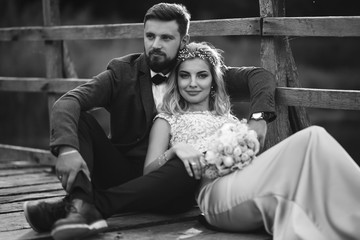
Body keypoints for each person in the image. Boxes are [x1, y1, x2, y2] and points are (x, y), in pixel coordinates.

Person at [23, 3, 276, 240]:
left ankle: (83, 206)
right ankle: (80, 204)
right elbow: (67, 102)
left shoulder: (194, 71)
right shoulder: (122, 72)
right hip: (121, 172)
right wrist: (67, 149)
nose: (156, 44)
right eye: (150, 36)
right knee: (80, 118)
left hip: (173, 184)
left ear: (183, 40)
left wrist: (258, 120)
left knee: (194, 160)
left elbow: (260, 77)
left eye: (166, 38)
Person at [146, 41, 360, 240]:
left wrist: (246, 144)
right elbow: (148, 174)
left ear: (213, 81)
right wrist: (175, 151)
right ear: (177, 79)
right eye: (185, 76)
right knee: (311, 138)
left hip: (244, 182)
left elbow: (261, 76)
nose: (192, 83)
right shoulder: (167, 120)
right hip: (213, 196)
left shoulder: (228, 120)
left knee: (316, 139)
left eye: (202, 76)